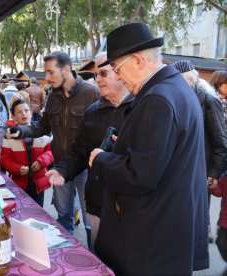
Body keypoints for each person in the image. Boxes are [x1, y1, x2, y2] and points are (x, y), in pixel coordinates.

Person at [88, 22, 208, 274]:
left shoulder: (157, 99)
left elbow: (140, 174)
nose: (117, 76)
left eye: (116, 68)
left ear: (138, 60)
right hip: (168, 232)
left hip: (150, 240)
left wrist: (100, 160)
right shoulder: (176, 90)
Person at [7, 51, 100, 242]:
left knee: (90, 221)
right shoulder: (53, 97)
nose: (47, 78)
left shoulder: (92, 94)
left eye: (51, 72)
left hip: (86, 169)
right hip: (60, 168)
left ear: (66, 69)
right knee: (63, 216)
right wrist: (22, 131)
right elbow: (43, 127)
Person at [46, 52, 134, 249]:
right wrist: (63, 170)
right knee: (98, 255)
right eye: (96, 75)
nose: (97, 80)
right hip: (98, 203)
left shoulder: (142, 107)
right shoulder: (93, 112)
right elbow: (78, 152)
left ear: (120, 73)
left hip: (132, 208)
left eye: (103, 73)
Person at [173, 60, 227, 243]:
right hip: (178, 172)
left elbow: (220, 142)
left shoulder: (209, 101)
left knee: (195, 220)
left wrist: (213, 175)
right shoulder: (174, 100)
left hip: (201, 172)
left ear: (191, 80)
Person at [1, 99, 53, 207]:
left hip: (38, 183)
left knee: (37, 212)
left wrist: (41, 161)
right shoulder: (10, 135)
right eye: (19, 112)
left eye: (26, 110)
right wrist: (17, 168)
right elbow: (5, 159)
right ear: (13, 116)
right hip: (19, 183)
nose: (24, 114)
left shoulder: (43, 132)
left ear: (31, 113)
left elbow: (51, 152)